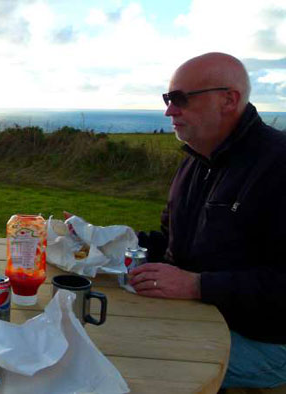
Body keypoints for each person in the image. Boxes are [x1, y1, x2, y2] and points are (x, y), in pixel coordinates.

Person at [129, 52, 286, 389]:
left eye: (180, 99)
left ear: (228, 100)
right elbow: (176, 246)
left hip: (265, 339)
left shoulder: (278, 165)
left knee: (135, 356)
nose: (169, 110)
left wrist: (197, 285)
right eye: (168, 99)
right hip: (199, 312)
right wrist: (115, 241)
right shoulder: (198, 160)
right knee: (108, 326)